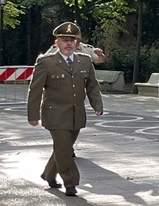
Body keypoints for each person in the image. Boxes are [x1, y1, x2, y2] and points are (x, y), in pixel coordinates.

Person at [27, 22, 104, 196]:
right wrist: (33, 115)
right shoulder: (46, 62)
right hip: (55, 114)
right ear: (57, 43)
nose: (68, 43)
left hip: (76, 113)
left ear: (77, 43)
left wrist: (97, 105)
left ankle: (48, 174)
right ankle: (71, 182)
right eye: (64, 40)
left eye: (72, 40)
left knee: (64, 147)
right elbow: (35, 90)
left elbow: (92, 85)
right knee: (64, 148)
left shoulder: (84, 60)